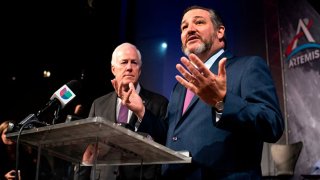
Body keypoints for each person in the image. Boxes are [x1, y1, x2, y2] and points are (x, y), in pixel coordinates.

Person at [118, 5, 285, 180]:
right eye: (184, 27)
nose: (190, 29)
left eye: (199, 22)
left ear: (220, 32)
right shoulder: (181, 86)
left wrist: (222, 101)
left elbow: (272, 124)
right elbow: (171, 136)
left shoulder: (248, 67)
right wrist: (141, 112)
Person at [75, 42, 168, 180]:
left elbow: (163, 143)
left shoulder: (159, 103)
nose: (129, 67)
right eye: (124, 62)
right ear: (113, 69)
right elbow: (88, 152)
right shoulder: (99, 104)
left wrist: (142, 112)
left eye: (134, 63)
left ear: (140, 70)